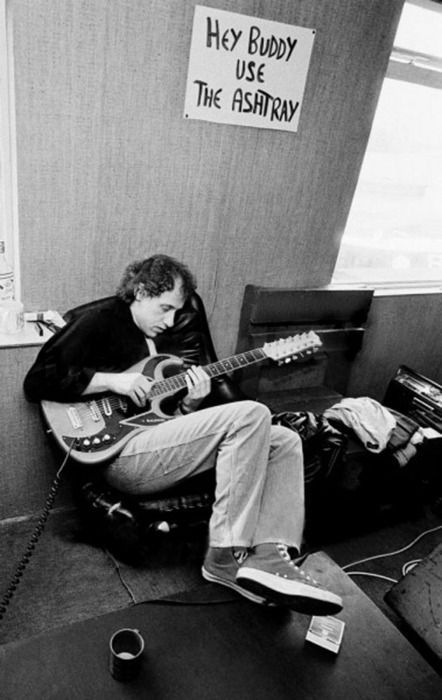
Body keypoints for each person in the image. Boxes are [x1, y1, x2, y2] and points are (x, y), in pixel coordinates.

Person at [24, 254, 343, 615]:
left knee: (284, 440)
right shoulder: (99, 320)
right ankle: (224, 555)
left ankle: (271, 554)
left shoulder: (156, 351)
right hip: (115, 456)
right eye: (165, 309)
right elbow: (37, 381)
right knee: (253, 412)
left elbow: (162, 424)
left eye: (177, 312)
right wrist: (114, 381)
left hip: (151, 449)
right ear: (140, 292)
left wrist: (191, 404)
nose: (172, 321)